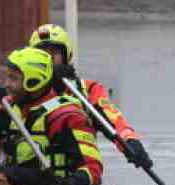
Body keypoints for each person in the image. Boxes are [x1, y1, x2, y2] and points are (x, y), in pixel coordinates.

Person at [0, 46, 104, 185]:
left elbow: (93, 167)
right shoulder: (9, 109)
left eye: (13, 79)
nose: (7, 84)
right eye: (7, 78)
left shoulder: (66, 116)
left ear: (33, 81)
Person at [27, 23, 152, 169]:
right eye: (42, 55)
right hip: (30, 177)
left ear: (67, 56)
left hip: (77, 179)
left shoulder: (87, 90)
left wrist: (130, 142)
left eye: (53, 54)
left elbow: (114, 121)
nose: (48, 60)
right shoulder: (22, 91)